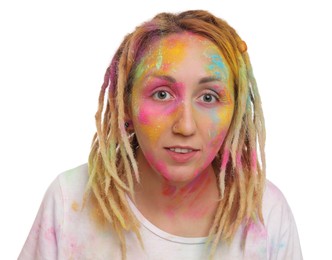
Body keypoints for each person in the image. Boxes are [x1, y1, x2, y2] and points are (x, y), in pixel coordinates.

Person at [19, 10, 303, 260]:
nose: (186, 126)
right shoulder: (71, 200)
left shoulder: (266, 212)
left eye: (208, 97)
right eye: (162, 94)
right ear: (125, 107)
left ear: (236, 111)